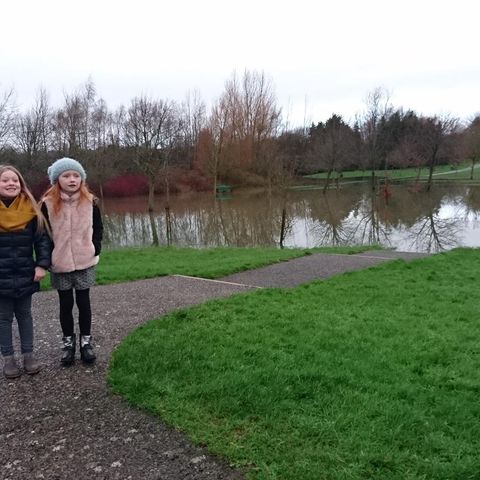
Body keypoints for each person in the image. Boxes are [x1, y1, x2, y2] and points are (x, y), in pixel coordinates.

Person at [41, 157, 103, 366]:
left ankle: (86, 342)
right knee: (65, 305)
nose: (72, 179)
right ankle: (68, 343)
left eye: (76, 175)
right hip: (59, 264)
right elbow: (43, 235)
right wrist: (47, 258)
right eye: (66, 175)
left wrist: (95, 248)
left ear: (82, 179)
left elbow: (99, 229)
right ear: (57, 179)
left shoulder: (90, 202)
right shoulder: (46, 205)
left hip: (85, 261)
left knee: (84, 303)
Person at [0, 165, 51, 379]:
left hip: (25, 273)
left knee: (25, 316)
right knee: (3, 319)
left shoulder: (31, 210)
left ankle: (28, 356)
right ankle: (8, 359)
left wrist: (41, 265)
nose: (11, 183)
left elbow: (42, 241)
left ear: (21, 185)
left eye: (15, 180)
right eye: (5, 180)